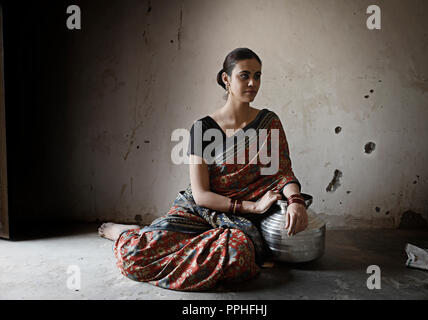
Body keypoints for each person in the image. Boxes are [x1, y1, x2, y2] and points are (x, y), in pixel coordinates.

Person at [98, 47, 308, 291]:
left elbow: (282, 173)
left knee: (238, 253)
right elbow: (201, 195)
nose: (253, 82)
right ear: (226, 79)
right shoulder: (203, 129)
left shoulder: (269, 122)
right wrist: (253, 206)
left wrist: (295, 200)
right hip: (200, 211)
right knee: (135, 257)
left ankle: (195, 244)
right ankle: (129, 234)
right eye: (244, 75)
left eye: (258, 76)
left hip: (239, 223)